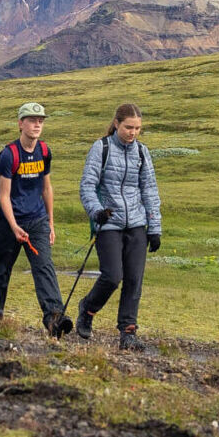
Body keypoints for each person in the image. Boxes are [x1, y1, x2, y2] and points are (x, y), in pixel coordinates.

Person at [75, 102, 163, 351]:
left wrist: (154, 227)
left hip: (136, 223)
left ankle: (128, 332)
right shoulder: (100, 148)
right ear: (116, 124)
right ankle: (88, 309)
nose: (132, 132)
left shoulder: (143, 153)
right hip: (108, 222)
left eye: (137, 128)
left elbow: (150, 190)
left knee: (134, 280)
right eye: (128, 127)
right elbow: (87, 186)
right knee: (113, 276)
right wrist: (96, 212)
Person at [0, 102, 72, 336]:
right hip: (9, 221)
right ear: (20, 124)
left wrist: (51, 223)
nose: (37, 124)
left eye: (41, 120)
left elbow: (47, 189)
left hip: (38, 220)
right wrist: (13, 227)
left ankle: (54, 319)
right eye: (32, 120)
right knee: (1, 269)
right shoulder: (8, 154)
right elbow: (4, 196)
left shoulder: (44, 151)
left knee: (44, 267)